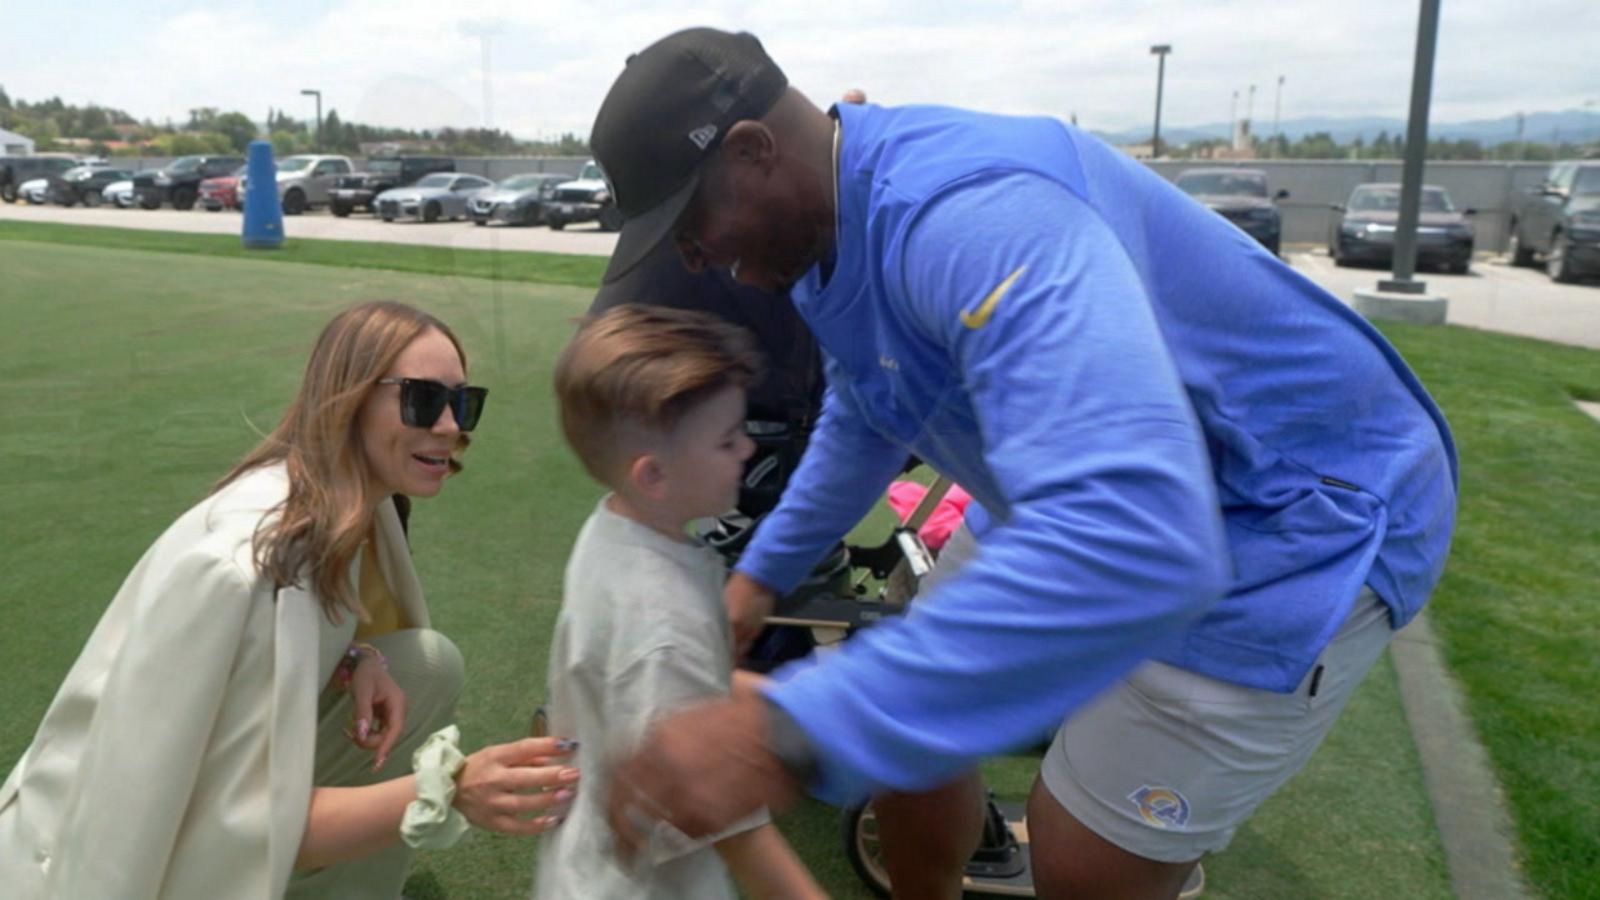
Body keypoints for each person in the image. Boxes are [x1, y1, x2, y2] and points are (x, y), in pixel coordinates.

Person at [591, 28, 1459, 900]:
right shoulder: (821, 242)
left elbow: (1138, 533)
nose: (694, 259)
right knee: (912, 727)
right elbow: (869, 408)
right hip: (1089, 476)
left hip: (1287, 511)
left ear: (752, 151)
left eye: (691, 227)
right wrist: (765, 576)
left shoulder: (971, 213)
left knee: (1078, 853)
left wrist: (785, 733)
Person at [0, 301, 578, 900]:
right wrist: (450, 788)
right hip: (105, 857)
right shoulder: (244, 571)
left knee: (425, 664)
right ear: (348, 399)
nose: (452, 426)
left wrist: (356, 660)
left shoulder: (351, 502)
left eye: (463, 402)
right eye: (422, 399)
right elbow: (221, 828)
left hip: (180, 813)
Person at [538, 304, 825, 900]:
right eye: (727, 440)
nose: (747, 450)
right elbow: (735, 830)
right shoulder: (664, 625)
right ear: (654, 475)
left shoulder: (613, 531)